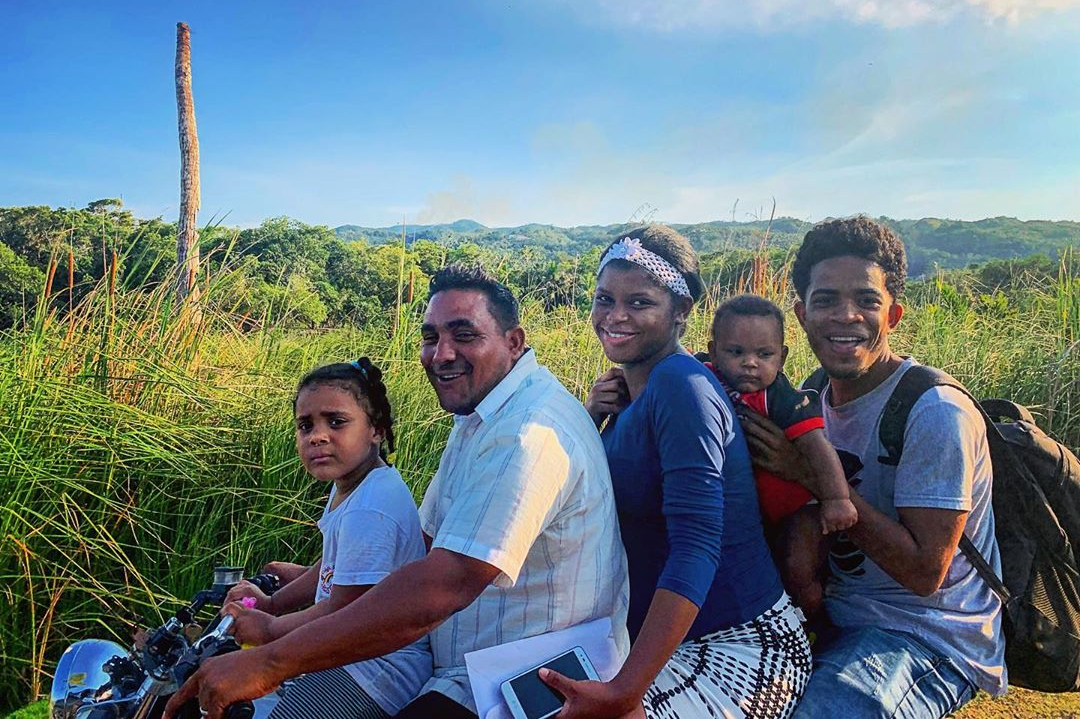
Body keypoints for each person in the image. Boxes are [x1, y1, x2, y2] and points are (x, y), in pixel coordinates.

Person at [165, 264, 628, 719]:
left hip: (523, 675)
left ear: (513, 342)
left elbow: (443, 585)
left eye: (464, 334)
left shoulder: (528, 433)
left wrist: (270, 659)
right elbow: (424, 544)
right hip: (462, 660)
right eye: (431, 337)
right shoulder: (480, 415)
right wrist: (314, 578)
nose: (442, 354)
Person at [741, 215, 1006, 718]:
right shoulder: (809, 396)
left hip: (927, 631)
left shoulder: (934, 413)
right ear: (800, 314)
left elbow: (925, 573)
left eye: (866, 300)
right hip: (834, 610)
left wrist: (811, 475)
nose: (846, 316)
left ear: (894, 315)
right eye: (826, 300)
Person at [542, 226, 811, 719]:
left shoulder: (682, 387)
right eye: (605, 299)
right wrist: (590, 415)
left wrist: (626, 691)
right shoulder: (627, 393)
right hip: (645, 638)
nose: (615, 316)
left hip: (738, 647)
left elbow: (697, 547)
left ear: (682, 312)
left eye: (640, 303)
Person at [219, 359, 431, 719]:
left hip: (376, 672)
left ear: (376, 430)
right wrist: (274, 602)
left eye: (336, 422)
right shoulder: (355, 486)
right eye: (306, 426)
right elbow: (334, 567)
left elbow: (344, 610)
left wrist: (271, 628)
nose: (317, 436)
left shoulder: (371, 508)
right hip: (351, 656)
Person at [706, 294, 857, 619]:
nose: (750, 363)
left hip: (798, 506)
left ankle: (816, 624)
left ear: (782, 357)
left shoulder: (781, 398)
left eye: (764, 354)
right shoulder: (704, 379)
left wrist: (836, 498)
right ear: (714, 351)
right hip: (752, 509)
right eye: (736, 352)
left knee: (797, 569)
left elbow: (818, 446)